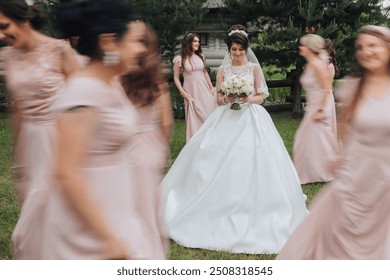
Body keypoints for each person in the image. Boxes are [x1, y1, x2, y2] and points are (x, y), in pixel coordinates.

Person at [162, 25, 308, 254]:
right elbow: (218, 99)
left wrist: (248, 97)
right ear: (229, 50)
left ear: (246, 49)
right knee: (211, 154)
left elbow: (262, 97)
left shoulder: (254, 68)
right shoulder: (223, 71)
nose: (237, 53)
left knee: (254, 157)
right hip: (226, 116)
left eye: (240, 49)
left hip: (251, 116)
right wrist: (228, 97)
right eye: (233, 49)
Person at [38, 0, 146, 259]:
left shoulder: (110, 84)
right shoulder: (82, 92)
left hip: (115, 204)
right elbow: (65, 173)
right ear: (108, 42)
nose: (141, 49)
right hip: (87, 228)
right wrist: (108, 237)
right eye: (134, 41)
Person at [277, 25, 390, 260]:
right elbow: (346, 127)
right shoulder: (354, 87)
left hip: (385, 174)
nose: (366, 51)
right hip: (355, 171)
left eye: (373, 45)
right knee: (337, 231)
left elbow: (326, 89)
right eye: (361, 47)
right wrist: (340, 158)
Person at [0, 0, 79, 259]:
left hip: (61, 137)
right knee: (38, 211)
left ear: (23, 19)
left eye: (4, 26)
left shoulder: (60, 50)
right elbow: (19, 112)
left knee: (52, 213)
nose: (1, 35)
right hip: (33, 142)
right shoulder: (7, 57)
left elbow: (84, 100)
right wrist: (20, 166)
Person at [121, 20, 173, 259]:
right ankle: (149, 250)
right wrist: (162, 147)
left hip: (125, 145)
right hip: (150, 146)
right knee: (148, 205)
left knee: (127, 202)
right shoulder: (157, 78)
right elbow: (166, 121)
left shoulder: (118, 76)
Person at [293, 34, 339, 184]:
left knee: (319, 140)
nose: (301, 48)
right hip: (313, 105)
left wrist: (319, 110)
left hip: (320, 106)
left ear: (310, 48)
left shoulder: (319, 65)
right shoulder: (310, 64)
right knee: (307, 140)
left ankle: (326, 171)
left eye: (303, 45)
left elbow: (326, 88)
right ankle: (311, 170)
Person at [173, 32, 217, 141]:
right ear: (188, 43)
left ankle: (209, 140)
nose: (198, 44)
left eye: (198, 41)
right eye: (195, 41)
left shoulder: (200, 56)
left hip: (204, 88)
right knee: (194, 118)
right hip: (191, 90)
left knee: (208, 113)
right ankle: (195, 142)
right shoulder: (179, 59)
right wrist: (183, 92)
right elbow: (176, 78)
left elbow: (204, 72)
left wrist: (211, 88)